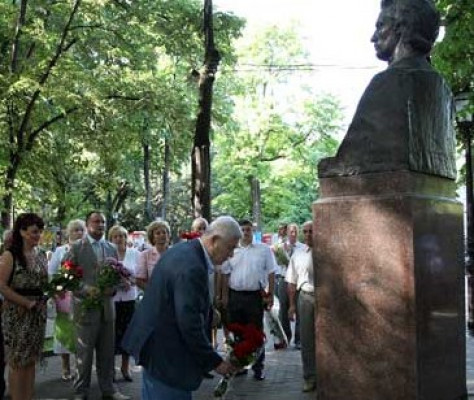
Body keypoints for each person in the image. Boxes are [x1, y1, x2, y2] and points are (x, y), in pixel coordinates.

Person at [319, 0, 456, 180]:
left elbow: (350, 161)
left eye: (380, 26)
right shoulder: (443, 89)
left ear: (401, 27)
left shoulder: (390, 81)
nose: (373, 37)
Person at [122, 216, 241, 399]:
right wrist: (215, 362)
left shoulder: (184, 250)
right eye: (230, 248)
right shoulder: (191, 266)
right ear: (215, 240)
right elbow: (188, 322)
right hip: (167, 356)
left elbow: (179, 300)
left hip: (158, 349)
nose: (231, 255)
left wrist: (209, 313)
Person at [65, 211, 130, 400]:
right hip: (85, 310)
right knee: (84, 356)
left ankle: (109, 390)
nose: (100, 224)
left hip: (107, 310)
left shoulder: (111, 248)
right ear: (87, 224)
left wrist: (115, 287)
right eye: (96, 221)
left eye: (103, 221)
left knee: (107, 354)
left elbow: (117, 275)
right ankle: (81, 392)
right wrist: (86, 289)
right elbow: (67, 277)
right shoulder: (76, 247)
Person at [221, 219, 277, 381]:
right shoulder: (232, 250)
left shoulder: (263, 250)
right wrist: (224, 296)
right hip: (235, 295)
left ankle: (258, 367)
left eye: (248, 230)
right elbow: (225, 274)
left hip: (254, 297)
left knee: (256, 333)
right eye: (242, 230)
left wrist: (270, 294)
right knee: (238, 332)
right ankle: (240, 365)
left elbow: (272, 272)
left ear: (253, 231)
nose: (245, 233)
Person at [0, 213, 48, 400]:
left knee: (31, 360)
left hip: (37, 315)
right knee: (18, 362)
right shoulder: (9, 255)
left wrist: (50, 295)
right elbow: (1, 285)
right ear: (21, 232)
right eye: (34, 232)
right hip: (17, 315)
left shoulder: (41, 254)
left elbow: (44, 284)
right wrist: (26, 303)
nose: (38, 235)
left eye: (40, 231)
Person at [48, 219, 86, 381]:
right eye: (75, 230)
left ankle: (79, 366)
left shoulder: (88, 250)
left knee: (81, 333)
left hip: (83, 297)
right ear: (69, 233)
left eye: (81, 230)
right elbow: (52, 272)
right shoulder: (60, 250)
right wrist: (57, 290)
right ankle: (65, 366)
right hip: (63, 296)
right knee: (63, 332)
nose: (79, 233)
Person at [286, 221, 316, 392]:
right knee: (307, 339)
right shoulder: (298, 254)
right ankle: (310, 377)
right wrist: (291, 306)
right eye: (305, 232)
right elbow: (291, 282)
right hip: (305, 297)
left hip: (324, 298)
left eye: (311, 231)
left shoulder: (326, 253)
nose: (308, 234)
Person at [108, 225, 139, 383]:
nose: (119, 239)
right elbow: (103, 276)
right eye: (116, 236)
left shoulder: (135, 254)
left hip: (129, 300)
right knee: (111, 336)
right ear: (111, 239)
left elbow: (140, 276)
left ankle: (125, 367)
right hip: (112, 300)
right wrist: (115, 282)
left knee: (128, 334)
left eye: (122, 236)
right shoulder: (108, 255)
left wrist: (130, 281)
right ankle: (111, 370)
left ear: (126, 238)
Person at [136, 219, 170, 290]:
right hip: (153, 294)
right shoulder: (145, 255)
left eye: (164, 232)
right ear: (153, 238)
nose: (162, 235)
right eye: (158, 233)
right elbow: (139, 281)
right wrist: (153, 292)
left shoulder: (175, 253)